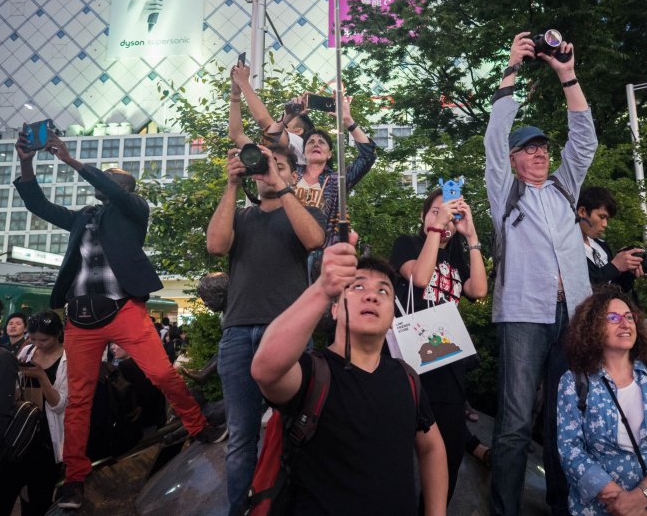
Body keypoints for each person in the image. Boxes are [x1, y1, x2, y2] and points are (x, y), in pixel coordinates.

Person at [13, 132, 226, 510]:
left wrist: (73, 162)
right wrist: (27, 160)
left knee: (161, 374)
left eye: (110, 177)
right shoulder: (83, 218)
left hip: (123, 308)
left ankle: (198, 425)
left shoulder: (134, 209)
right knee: (79, 399)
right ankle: (75, 479)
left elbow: (109, 186)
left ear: (121, 186)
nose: (103, 181)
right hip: (80, 318)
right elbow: (38, 205)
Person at [484, 31, 598, 515]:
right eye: (528, 149)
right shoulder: (505, 193)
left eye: (542, 148)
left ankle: (561, 505)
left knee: (566, 417)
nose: (539, 153)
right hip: (524, 316)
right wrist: (511, 68)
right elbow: (493, 136)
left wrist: (566, 73)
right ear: (512, 159)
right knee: (513, 422)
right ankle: (504, 509)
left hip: (573, 315)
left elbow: (585, 139)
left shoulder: (563, 191)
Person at [251, 236, 448, 515]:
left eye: (384, 291)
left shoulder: (406, 377)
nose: (371, 295)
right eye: (357, 287)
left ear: (393, 314)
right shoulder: (313, 374)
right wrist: (322, 288)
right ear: (334, 308)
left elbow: (431, 448)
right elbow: (265, 369)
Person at [206, 142, 325, 513]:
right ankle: (239, 509)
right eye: (266, 166)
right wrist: (230, 185)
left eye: (281, 166)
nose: (271, 171)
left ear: (292, 173)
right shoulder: (240, 216)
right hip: (239, 332)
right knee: (241, 436)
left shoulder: (306, 212)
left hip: (287, 333)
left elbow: (314, 241)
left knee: (296, 427)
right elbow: (215, 245)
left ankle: (291, 505)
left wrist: (282, 185)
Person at [557, 287, 647, 515]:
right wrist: (620, 503)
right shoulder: (574, 381)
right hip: (601, 507)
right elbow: (570, 450)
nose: (625, 324)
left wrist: (640, 498)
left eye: (629, 317)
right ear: (592, 326)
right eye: (613, 318)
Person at [389, 188, 489, 505]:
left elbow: (479, 289)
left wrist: (470, 234)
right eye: (435, 211)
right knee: (399, 445)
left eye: (450, 213)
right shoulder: (409, 244)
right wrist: (436, 229)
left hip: (447, 358)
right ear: (423, 216)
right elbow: (419, 278)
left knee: (450, 445)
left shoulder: (456, 256)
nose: (444, 218)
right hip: (410, 358)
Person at [228, 61, 377, 248]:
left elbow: (368, 156)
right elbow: (269, 135)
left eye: (322, 142)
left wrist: (348, 121)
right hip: (285, 243)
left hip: (322, 250)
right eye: (311, 141)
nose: (316, 143)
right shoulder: (291, 172)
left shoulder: (336, 180)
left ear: (330, 154)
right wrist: (287, 116)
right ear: (302, 150)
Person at [0, 311, 67, 516]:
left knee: (38, 498)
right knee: (7, 489)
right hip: (21, 431)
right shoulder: (28, 350)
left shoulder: (68, 359)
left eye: (44, 339)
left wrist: (41, 377)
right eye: (33, 338)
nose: (38, 344)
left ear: (58, 334)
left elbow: (61, 404)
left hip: (46, 437)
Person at [576, 187, 644, 290]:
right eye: (602, 217)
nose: (605, 224)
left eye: (607, 219)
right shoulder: (567, 248)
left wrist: (628, 272)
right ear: (582, 212)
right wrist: (615, 266)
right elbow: (582, 286)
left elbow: (616, 288)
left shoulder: (601, 245)